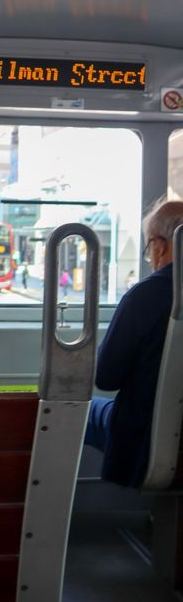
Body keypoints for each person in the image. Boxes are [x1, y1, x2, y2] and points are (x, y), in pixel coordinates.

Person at [85, 199, 183, 488]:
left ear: (159, 245)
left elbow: (106, 377)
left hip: (149, 438)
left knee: (85, 410)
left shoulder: (145, 296)